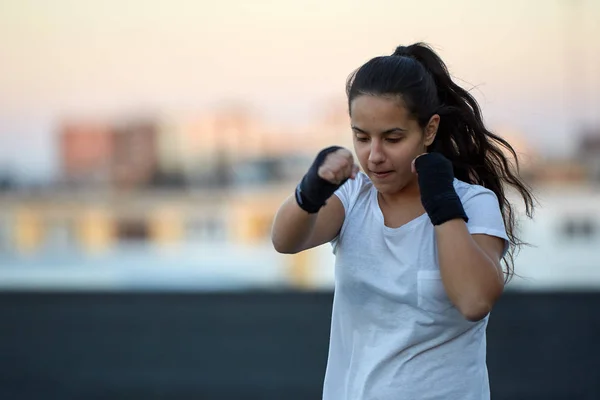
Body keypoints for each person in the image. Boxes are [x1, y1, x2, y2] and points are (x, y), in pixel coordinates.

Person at [271, 42, 535, 400]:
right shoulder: (353, 197)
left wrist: (441, 200)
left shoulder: (474, 203)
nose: (374, 156)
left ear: (428, 130)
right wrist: (311, 188)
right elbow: (285, 241)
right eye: (361, 138)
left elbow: (474, 301)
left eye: (392, 138)